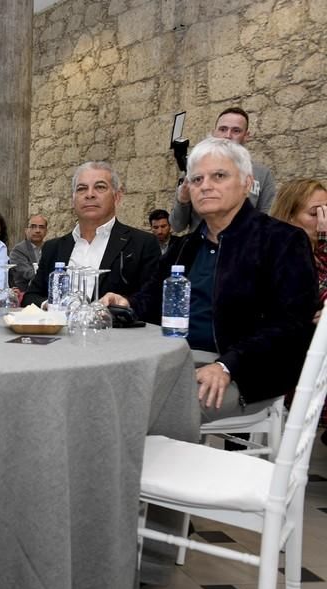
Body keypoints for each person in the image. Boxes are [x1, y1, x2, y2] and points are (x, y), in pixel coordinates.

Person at [102, 138, 317, 422]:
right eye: (197, 179)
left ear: (246, 183)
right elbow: (153, 298)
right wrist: (125, 302)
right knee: (104, 391)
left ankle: (166, 466)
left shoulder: (281, 241)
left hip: (247, 371)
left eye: (219, 176)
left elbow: (292, 324)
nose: (205, 185)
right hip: (176, 359)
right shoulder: (185, 247)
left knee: (149, 409)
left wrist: (228, 365)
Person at [22, 162, 159, 307]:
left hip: (112, 328)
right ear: (72, 199)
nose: (90, 194)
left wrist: (126, 303)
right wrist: (49, 306)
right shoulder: (53, 248)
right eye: (82, 189)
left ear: (117, 197)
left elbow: (153, 302)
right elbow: (30, 297)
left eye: (100, 187)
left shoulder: (142, 244)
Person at [170, 107, 276, 233]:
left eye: (236, 130)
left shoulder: (262, 174)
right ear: (214, 133)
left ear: (246, 136)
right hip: (202, 248)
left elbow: (268, 220)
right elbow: (177, 226)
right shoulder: (194, 171)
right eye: (223, 129)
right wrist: (183, 200)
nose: (228, 136)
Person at [270, 179, 327, 311]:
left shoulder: (317, 252)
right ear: (289, 217)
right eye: (315, 213)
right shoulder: (280, 254)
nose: (324, 219)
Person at [9, 214, 47, 292]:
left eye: (41, 227)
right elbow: (29, 274)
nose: (37, 230)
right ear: (26, 230)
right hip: (26, 294)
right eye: (33, 226)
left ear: (46, 231)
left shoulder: (49, 248)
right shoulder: (18, 250)